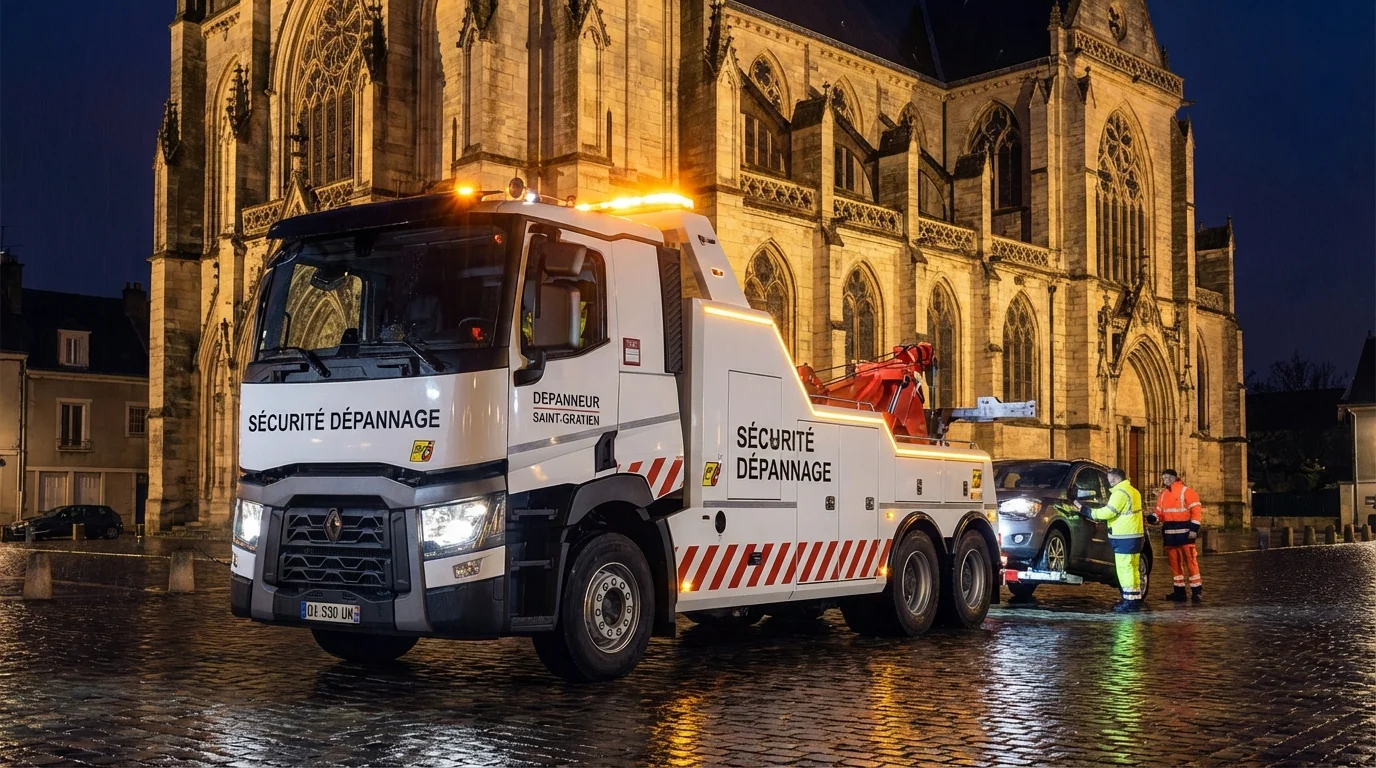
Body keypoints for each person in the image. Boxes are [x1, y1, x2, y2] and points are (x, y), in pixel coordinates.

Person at [1075, 468, 1145, 613]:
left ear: (1115, 478)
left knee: (1124, 569)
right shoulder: (1134, 491)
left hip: (1123, 536)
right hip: (1135, 536)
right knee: (1133, 568)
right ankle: (1135, 598)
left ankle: (1129, 602)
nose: (1108, 482)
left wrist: (1086, 510)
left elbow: (1108, 513)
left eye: (1109, 479)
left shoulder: (1120, 494)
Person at [1148, 469, 1203, 603]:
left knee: (1190, 562)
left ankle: (1196, 591)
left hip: (1185, 533)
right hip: (1170, 534)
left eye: (1167, 477)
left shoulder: (1187, 491)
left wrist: (1194, 529)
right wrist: (1153, 518)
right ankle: (1180, 592)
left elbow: (1196, 511)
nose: (1165, 480)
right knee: (1175, 565)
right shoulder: (1163, 495)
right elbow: (1160, 514)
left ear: (1174, 478)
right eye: (1163, 478)